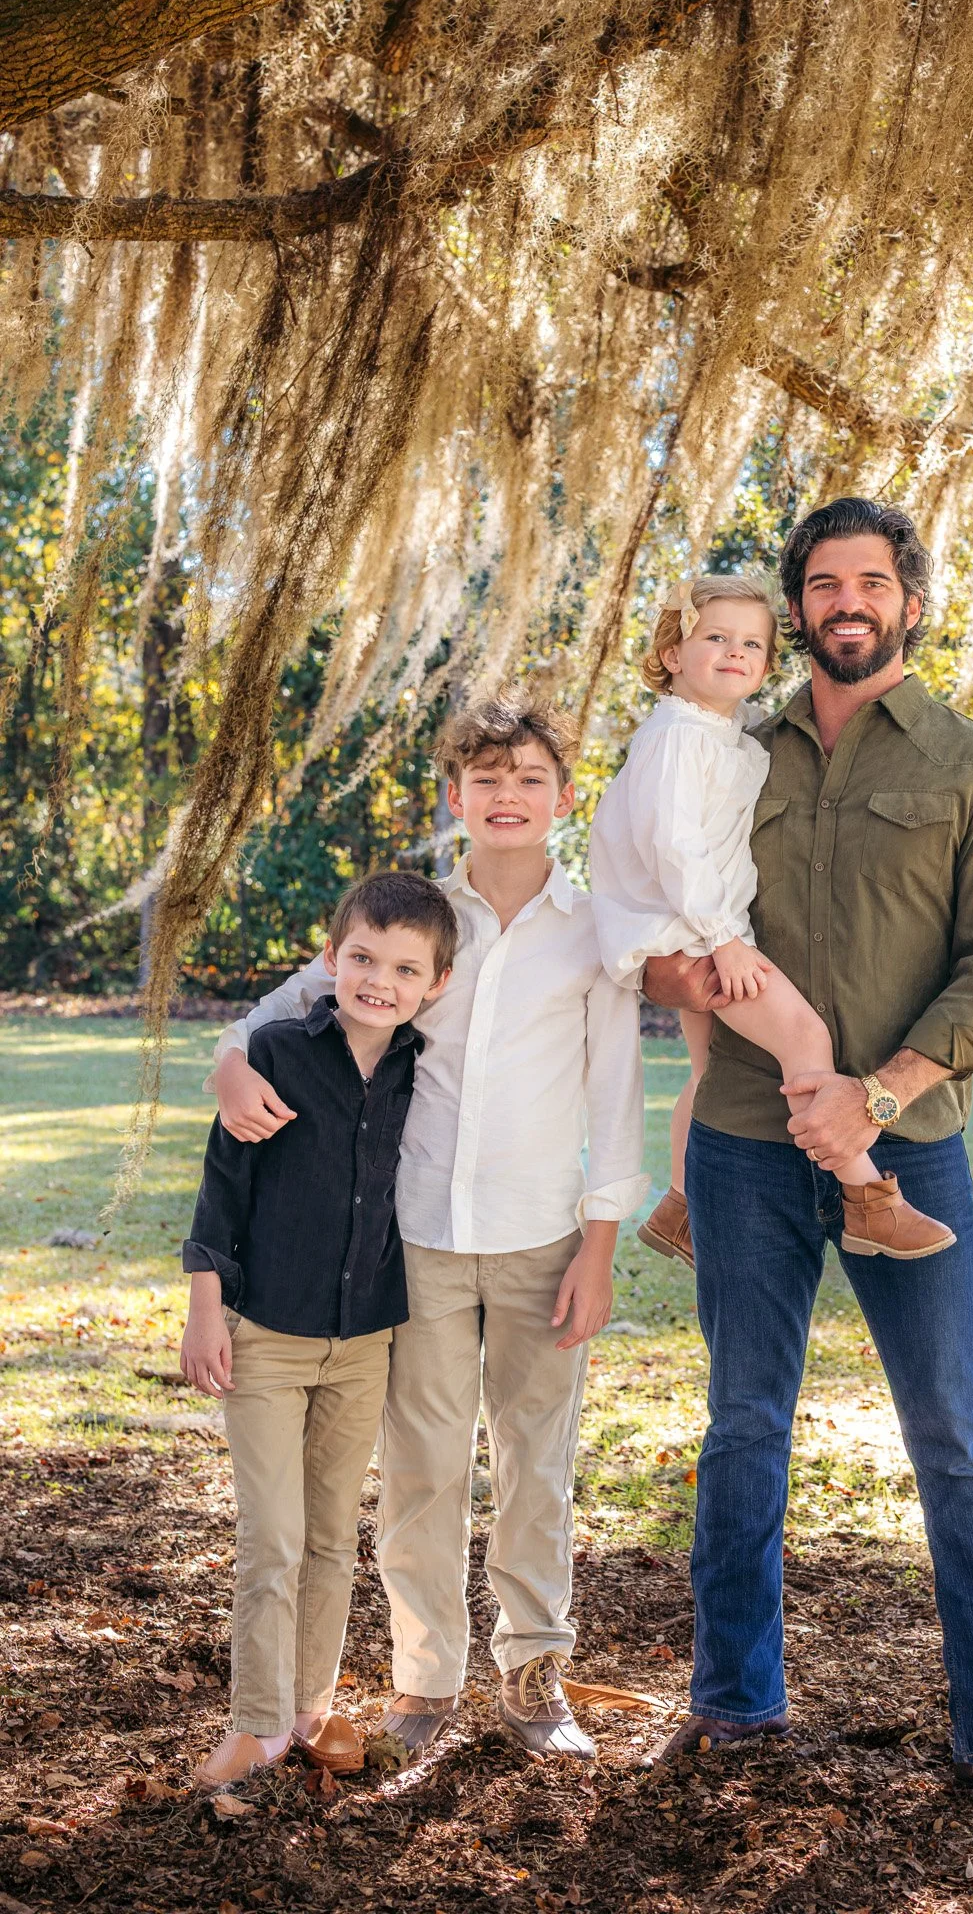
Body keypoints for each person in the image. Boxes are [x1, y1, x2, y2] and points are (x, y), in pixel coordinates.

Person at [642, 498, 973, 1830]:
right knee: (742, 1426)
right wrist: (690, 982)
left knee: (952, 1439)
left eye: (872, 580)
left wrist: (876, 1098)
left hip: (909, 1156)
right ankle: (730, 1709)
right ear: (796, 606)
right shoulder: (727, 753)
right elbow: (664, 916)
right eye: (822, 582)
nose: (847, 601)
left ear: (910, 598)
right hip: (740, 1141)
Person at [208, 691, 648, 1763]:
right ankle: (425, 1678)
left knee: (537, 1459)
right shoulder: (417, 919)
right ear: (455, 796)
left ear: (563, 797)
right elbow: (277, 1009)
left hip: (544, 1233)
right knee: (423, 1463)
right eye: (486, 779)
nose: (507, 796)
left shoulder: (597, 930)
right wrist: (228, 1059)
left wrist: (600, 1240)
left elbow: (614, 1092)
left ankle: (536, 1673)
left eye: (529, 779)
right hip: (419, 1241)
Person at [180, 869, 457, 1792]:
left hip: (365, 1340)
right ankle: (254, 1725)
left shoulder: (426, 1072)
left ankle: (306, 1706)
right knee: (274, 1540)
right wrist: (205, 1312)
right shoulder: (276, 1052)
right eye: (364, 959)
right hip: (265, 1337)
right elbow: (223, 1189)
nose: (380, 981)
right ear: (331, 958)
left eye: (405, 969)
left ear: (435, 986)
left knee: (334, 1537)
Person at [590, 570, 953, 1267]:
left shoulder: (729, 732)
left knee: (708, 1072)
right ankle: (867, 1199)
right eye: (716, 638)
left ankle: (680, 1209)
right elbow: (672, 844)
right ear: (673, 654)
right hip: (693, 932)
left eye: (752, 645)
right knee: (804, 1036)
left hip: (695, 927)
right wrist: (724, 939)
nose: (736, 653)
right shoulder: (676, 738)